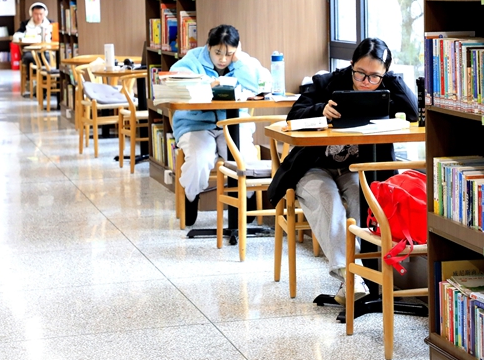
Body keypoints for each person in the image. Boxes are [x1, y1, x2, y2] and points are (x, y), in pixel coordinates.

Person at [268, 37, 418, 304]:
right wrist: (320, 110)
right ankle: (351, 277)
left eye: (374, 76)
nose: (365, 82)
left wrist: (388, 78)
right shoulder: (327, 83)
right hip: (314, 166)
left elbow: (413, 112)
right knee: (327, 199)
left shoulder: (385, 89)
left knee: (366, 199)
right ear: (351, 65)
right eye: (360, 73)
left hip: (356, 169)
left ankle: (361, 279)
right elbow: (294, 115)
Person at [170, 24, 266, 226]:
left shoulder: (242, 61)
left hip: (233, 124)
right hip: (195, 125)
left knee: (245, 158)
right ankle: (191, 196)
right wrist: (207, 84)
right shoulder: (193, 59)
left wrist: (239, 61)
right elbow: (175, 79)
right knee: (200, 159)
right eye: (217, 53)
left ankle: (245, 199)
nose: (223, 59)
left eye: (229, 54)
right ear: (208, 47)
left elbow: (259, 83)